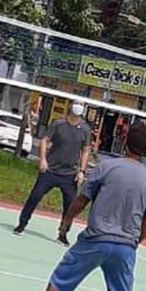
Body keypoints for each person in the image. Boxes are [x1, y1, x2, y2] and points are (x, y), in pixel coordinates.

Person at [13, 122, 146, 291]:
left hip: (95, 240)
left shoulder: (106, 167)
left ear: (124, 142)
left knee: (59, 280)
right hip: (125, 247)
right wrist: (134, 242)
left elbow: (82, 199)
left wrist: (67, 220)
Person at [13, 100, 91, 245]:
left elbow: (86, 151)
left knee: (70, 206)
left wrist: (82, 171)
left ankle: (63, 234)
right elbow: (44, 140)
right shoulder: (59, 124)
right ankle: (21, 225)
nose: (78, 107)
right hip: (50, 170)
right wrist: (42, 159)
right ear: (71, 106)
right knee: (34, 197)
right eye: (76, 103)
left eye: (81, 105)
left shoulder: (85, 129)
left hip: (69, 174)